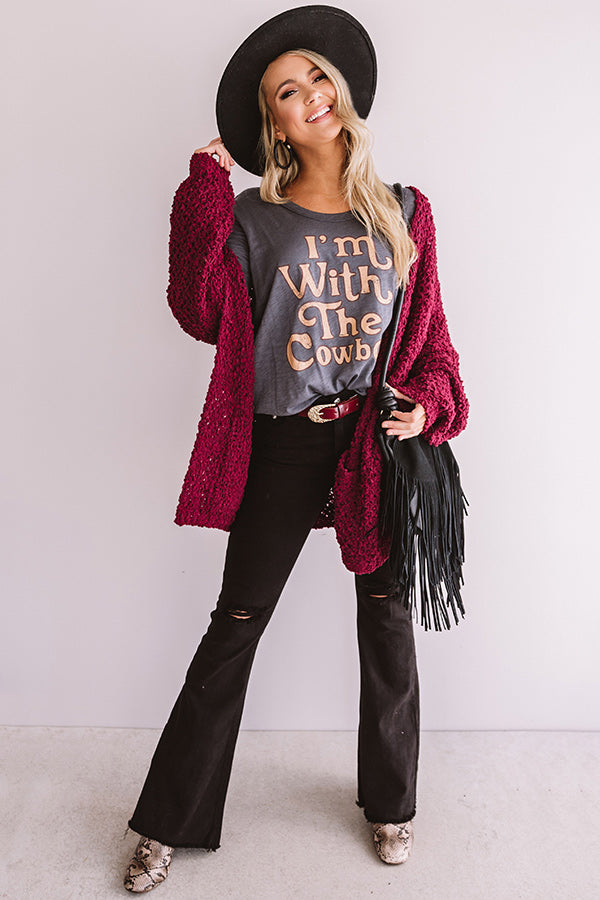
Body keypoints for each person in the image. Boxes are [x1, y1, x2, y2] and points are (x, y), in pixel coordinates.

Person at [123, 5, 469, 893]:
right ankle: (167, 823)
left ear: (341, 90)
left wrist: (427, 409)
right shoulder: (253, 218)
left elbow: (432, 343)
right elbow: (199, 311)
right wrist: (203, 192)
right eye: (287, 90)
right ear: (272, 123)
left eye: (317, 76)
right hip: (284, 442)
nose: (310, 93)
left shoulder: (405, 211)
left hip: (375, 445)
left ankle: (392, 805)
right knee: (235, 626)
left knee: (387, 620)